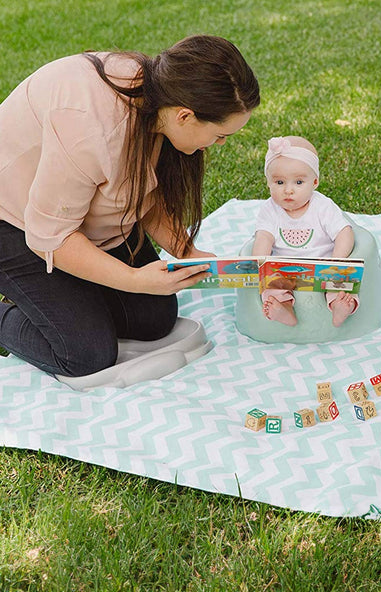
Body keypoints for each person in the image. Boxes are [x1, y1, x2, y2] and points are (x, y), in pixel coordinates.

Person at [0, 35, 260, 378]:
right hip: (16, 222)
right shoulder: (92, 129)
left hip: (75, 219)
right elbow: (52, 237)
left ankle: (54, 298)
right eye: (220, 134)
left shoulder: (160, 99)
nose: (221, 144)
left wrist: (187, 251)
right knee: (86, 353)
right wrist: (134, 279)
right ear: (185, 115)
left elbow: (141, 194)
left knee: (154, 318)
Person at [252, 136, 358, 328]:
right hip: (286, 270)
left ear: (314, 182)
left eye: (299, 182)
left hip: (323, 265)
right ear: (268, 183)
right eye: (280, 182)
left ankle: (339, 307)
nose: (288, 190)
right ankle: (285, 310)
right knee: (271, 285)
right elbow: (263, 237)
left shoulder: (322, 206)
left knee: (342, 282)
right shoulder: (269, 209)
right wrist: (260, 262)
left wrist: (338, 259)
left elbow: (344, 232)